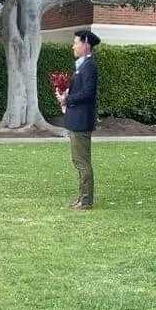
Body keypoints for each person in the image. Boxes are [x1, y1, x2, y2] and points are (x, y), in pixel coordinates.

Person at [57, 30, 99, 209]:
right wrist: (65, 93)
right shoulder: (81, 66)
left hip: (81, 120)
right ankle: (82, 197)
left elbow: (88, 93)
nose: (73, 46)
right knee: (79, 161)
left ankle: (86, 200)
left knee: (81, 162)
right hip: (77, 119)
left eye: (76, 42)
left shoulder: (89, 66)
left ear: (86, 44)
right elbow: (80, 91)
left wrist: (68, 98)